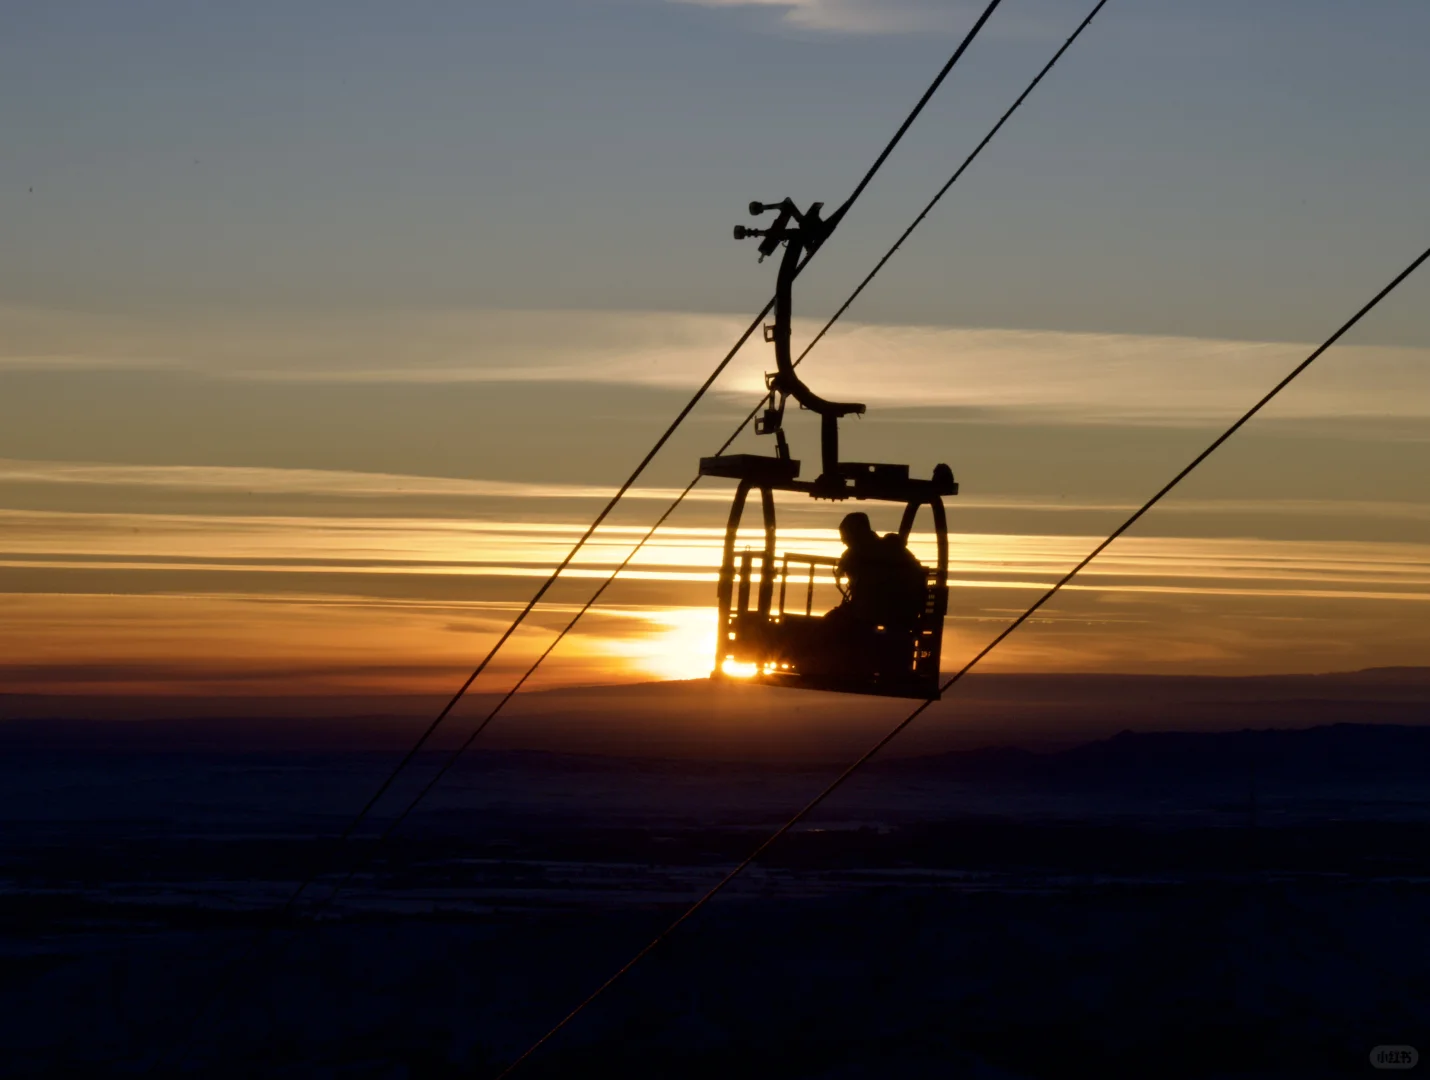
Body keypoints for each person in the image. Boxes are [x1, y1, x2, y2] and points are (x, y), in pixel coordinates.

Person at [828, 512, 927, 634]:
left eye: (845, 538)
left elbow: (842, 570)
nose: (845, 542)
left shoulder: (859, 552)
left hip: (874, 613)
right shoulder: (893, 548)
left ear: (854, 534)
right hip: (904, 614)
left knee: (829, 624)